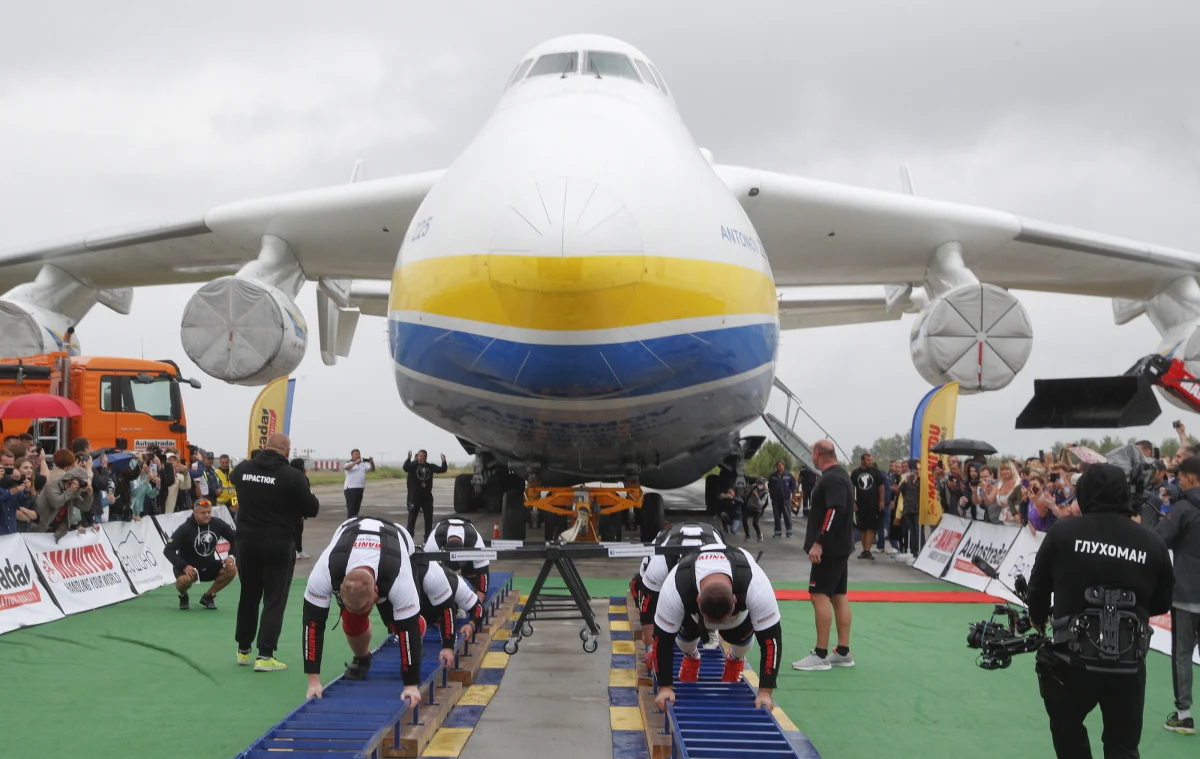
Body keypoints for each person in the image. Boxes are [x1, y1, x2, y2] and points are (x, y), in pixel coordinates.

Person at [1026, 463, 1175, 758]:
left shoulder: (1063, 534)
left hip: (1071, 660)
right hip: (1128, 663)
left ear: (1085, 492)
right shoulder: (1152, 542)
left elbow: (1037, 591)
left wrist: (1039, 619)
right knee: (1123, 745)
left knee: (1067, 732)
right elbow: (1161, 602)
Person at [301, 516, 431, 705]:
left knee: (405, 626)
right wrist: (313, 681)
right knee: (352, 622)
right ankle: (362, 659)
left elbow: (408, 628)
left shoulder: (398, 578)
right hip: (350, 529)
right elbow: (312, 626)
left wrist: (410, 686)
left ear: (376, 592)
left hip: (397, 538)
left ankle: (414, 651)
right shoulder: (324, 572)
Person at [651, 543, 781, 712]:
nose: (716, 628)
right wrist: (665, 687)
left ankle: (735, 659)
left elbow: (772, 641)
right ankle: (691, 656)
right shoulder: (675, 588)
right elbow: (661, 641)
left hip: (737, 617)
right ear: (698, 599)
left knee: (740, 638)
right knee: (685, 638)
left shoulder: (756, 586)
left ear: (735, 599)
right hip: (694, 616)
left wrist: (765, 692)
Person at [232, 433, 320, 672]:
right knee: (274, 598)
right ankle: (265, 655)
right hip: (277, 541)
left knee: (249, 595)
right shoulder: (292, 476)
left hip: (246, 540)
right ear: (287, 451)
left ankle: (243, 649)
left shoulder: (243, 469)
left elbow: (234, 479)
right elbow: (311, 508)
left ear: (265, 447)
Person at [794, 439, 855, 671]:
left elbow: (834, 512)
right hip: (839, 547)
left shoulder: (832, 478)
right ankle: (842, 651)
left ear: (818, 453)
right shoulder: (841, 477)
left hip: (829, 550)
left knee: (819, 595)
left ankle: (820, 654)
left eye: (812, 453)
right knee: (838, 596)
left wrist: (819, 543)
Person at [1155, 456, 1200, 734]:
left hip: (1186, 591)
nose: (1178, 482)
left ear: (1191, 478)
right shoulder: (1182, 506)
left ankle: (1184, 715)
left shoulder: (1183, 507)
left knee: (1182, 654)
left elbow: (1160, 538)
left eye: (1181, 477)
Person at [632, 522, 725, 652]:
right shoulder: (659, 566)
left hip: (710, 543)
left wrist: (718, 632)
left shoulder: (720, 567)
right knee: (638, 587)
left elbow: (728, 605)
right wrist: (650, 645)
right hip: (665, 546)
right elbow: (647, 609)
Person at [163, 499, 237, 610]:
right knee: (183, 581)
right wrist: (185, 566)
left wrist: (230, 557)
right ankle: (184, 595)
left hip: (209, 566)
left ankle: (208, 596)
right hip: (188, 569)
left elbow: (235, 538)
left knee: (232, 569)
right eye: (203, 513)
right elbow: (168, 550)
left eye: (209, 512)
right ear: (194, 513)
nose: (207, 515)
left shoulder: (217, 523)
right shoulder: (185, 529)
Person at [424, 518, 490, 600]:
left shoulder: (476, 543)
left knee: (478, 583)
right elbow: (423, 571)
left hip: (468, 541)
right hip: (443, 530)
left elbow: (483, 584)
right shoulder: (434, 543)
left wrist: (475, 604)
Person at [404, 450, 447, 542]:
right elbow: (405, 467)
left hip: (426, 497)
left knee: (428, 519)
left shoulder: (430, 467)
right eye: (420, 456)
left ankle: (427, 538)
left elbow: (442, 469)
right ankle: (409, 539)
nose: (422, 458)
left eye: (424, 456)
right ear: (418, 457)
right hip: (415, 497)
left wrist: (444, 461)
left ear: (426, 457)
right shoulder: (413, 466)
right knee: (411, 519)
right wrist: (408, 458)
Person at [849, 453, 884, 559]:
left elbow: (881, 486)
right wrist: (852, 502)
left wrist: (881, 500)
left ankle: (868, 550)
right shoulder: (856, 473)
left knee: (871, 527)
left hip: (873, 504)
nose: (870, 462)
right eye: (868, 460)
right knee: (862, 528)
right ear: (862, 461)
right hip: (860, 504)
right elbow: (852, 488)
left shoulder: (875, 472)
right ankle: (864, 550)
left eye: (871, 460)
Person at [766, 460, 795, 538]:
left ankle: (789, 532)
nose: (778, 467)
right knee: (776, 516)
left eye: (780, 465)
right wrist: (771, 494)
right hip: (776, 500)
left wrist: (791, 493)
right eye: (777, 465)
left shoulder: (789, 475)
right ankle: (777, 532)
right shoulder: (773, 476)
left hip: (785, 499)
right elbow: (770, 485)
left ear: (783, 465)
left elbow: (793, 485)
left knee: (787, 516)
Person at [343, 449, 375, 519]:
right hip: (350, 489)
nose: (358, 455)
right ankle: (349, 523)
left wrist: (372, 463)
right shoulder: (349, 463)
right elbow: (346, 468)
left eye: (359, 454)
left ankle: (354, 521)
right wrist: (356, 462)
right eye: (356, 454)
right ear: (352, 455)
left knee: (356, 509)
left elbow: (371, 469)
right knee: (351, 509)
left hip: (360, 488)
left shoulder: (362, 464)